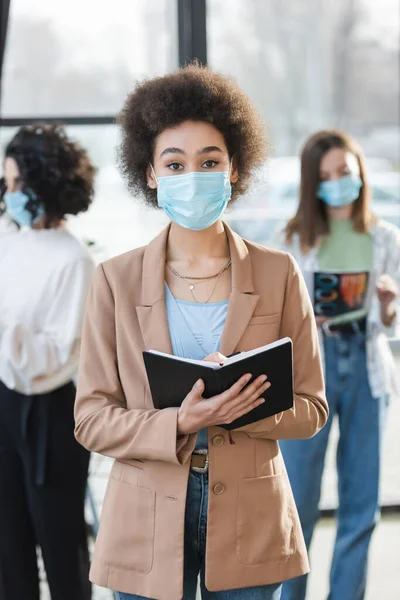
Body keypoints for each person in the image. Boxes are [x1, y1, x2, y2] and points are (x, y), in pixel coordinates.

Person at [74, 65, 328, 600]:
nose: (193, 175)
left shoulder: (278, 272)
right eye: (175, 163)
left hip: (250, 514)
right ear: (149, 174)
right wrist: (180, 423)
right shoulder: (114, 281)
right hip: (145, 513)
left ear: (234, 168)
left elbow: (312, 409)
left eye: (209, 161)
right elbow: (91, 419)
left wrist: (243, 406)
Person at [277, 130, 400, 600]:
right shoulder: (294, 239)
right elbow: (278, 319)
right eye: (325, 176)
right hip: (313, 367)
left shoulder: (385, 237)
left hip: (367, 369)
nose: (336, 183)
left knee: (360, 504)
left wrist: (388, 304)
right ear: (313, 183)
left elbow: (386, 325)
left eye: (343, 173)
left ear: (360, 173)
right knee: (296, 504)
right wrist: (308, 315)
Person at [0, 124, 96, 600]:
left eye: (19, 184)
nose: (10, 194)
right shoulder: (8, 240)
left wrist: (6, 334)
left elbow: (57, 354)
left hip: (54, 416)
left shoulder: (74, 260)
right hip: (5, 404)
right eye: (7, 184)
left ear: (46, 182)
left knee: (61, 547)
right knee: (8, 545)